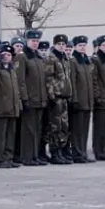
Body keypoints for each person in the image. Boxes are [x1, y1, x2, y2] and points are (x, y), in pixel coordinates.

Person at [15, 30, 48, 166]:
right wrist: (24, 98)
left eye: (37, 41)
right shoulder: (22, 57)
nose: (35, 43)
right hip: (30, 98)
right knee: (28, 130)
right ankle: (27, 157)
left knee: (37, 129)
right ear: (27, 41)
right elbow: (20, 80)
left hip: (40, 99)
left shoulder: (38, 57)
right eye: (33, 41)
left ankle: (35, 155)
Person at [0, 44, 22, 168]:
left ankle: (9, 157)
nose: (7, 57)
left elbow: (16, 89)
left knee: (10, 135)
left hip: (13, 107)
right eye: (4, 54)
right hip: (1, 106)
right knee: (0, 135)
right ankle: (0, 159)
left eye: (9, 55)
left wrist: (18, 104)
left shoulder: (12, 69)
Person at [45, 35, 74, 164]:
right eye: (59, 44)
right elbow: (49, 77)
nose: (62, 46)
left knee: (64, 125)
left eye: (64, 44)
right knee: (55, 126)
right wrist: (51, 96)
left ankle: (62, 150)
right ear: (55, 44)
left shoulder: (65, 58)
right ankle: (55, 152)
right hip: (56, 97)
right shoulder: (51, 58)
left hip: (64, 96)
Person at [66, 36, 94, 164]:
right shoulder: (73, 61)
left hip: (87, 101)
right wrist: (74, 98)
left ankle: (83, 152)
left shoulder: (85, 61)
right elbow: (72, 81)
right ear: (75, 47)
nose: (82, 47)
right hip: (78, 101)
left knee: (84, 129)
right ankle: (77, 154)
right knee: (77, 130)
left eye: (84, 45)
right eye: (80, 45)